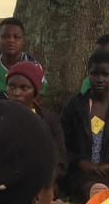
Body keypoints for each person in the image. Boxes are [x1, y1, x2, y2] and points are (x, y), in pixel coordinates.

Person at [60, 47, 109, 201]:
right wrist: (82, 163)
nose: (100, 79)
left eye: (105, 74)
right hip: (79, 172)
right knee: (89, 188)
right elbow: (62, 143)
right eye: (95, 74)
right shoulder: (75, 105)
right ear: (88, 73)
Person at [5, 58, 68, 188]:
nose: (16, 93)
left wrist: (44, 179)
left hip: (41, 181)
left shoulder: (49, 120)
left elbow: (60, 161)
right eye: (12, 87)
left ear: (35, 92)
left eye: (24, 88)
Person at [0, 17, 36, 94]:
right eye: (5, 36)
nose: (11, 40)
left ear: (23, 41)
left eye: (16, 37)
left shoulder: (35, 69)